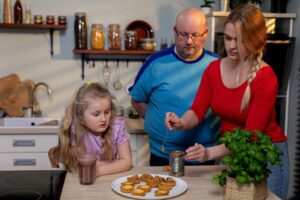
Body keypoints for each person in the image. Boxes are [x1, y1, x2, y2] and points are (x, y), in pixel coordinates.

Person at [165, 4, 289, 200]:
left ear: (254, 41)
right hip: (226, 153)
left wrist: (208, 153)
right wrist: (180, 122)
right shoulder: (214, 70)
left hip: (265, 157)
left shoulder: (265, 78)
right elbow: (196, 111)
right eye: (228, 38)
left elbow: (250, 137)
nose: (230, 46)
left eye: (239, 40)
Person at [129, 7, 220, 166]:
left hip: (205, 156)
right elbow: (137, 101)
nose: (189, 41)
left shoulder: (218, 65)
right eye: (184, 34)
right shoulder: (155, 63)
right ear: (174, 32)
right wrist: (156, 121)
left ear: (205, 34)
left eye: (195, 35)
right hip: (162, 156)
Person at [56, 82, 132, 177]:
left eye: (107, 112)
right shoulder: (75, 130)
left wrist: (99, 170)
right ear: (81, 116)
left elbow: (127, 161)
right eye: (96, 114)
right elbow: (76, 166)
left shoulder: (117, 127)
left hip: (112, 179)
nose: (103, 119)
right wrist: (111, 164)